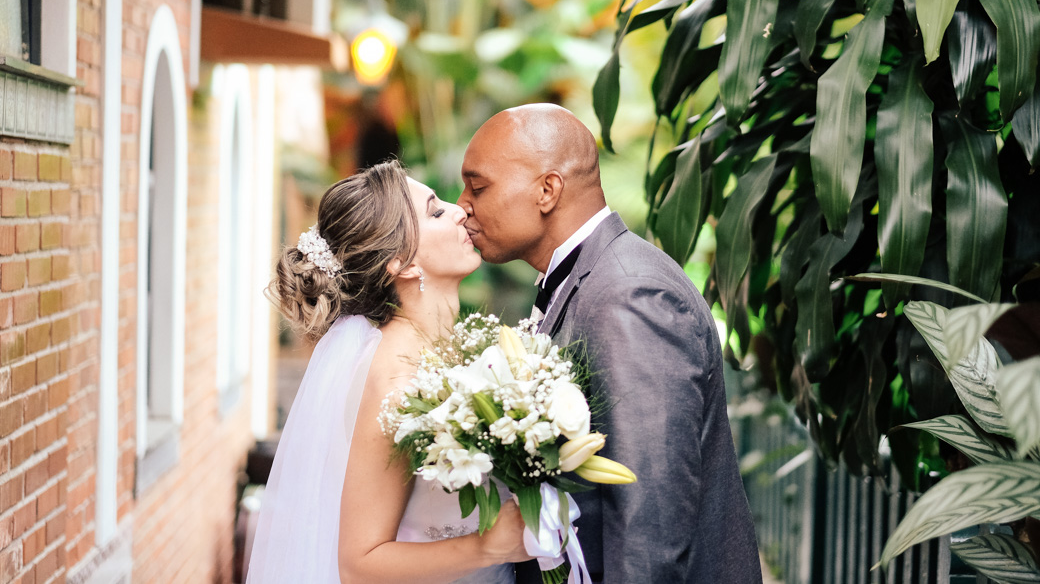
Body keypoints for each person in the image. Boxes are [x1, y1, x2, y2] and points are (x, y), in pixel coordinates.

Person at [458, 104, 763, 584]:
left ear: (547, 190)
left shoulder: (630, 294)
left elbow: (651, 524)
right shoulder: (593, 281)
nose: (463, 204)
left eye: (478, 187)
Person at [247, 160, 531, 584]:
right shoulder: (398, 382)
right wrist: (487, 547)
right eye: (436, 211)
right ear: (402, 264)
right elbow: (359, 563)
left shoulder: (443, 350)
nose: (459, 210)